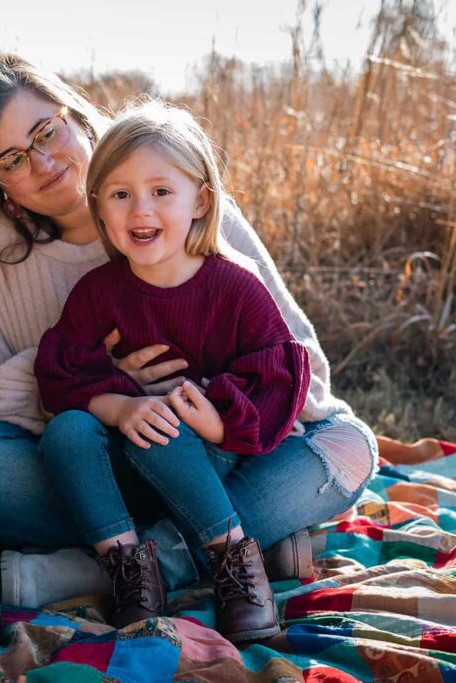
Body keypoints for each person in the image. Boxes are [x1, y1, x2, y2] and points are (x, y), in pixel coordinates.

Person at [0, 55, 378, 623]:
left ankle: (105, 569)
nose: (43, 161)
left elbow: (303, 369)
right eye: (13, 158)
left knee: (346, 447)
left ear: (75, 115)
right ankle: (246, 545)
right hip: (86, 464)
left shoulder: (186, 200)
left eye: (47, 130)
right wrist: (106, 382)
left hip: (212, 453)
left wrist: (205, 400)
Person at [34, 101, 311, 641]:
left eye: (162, 191)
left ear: (201, 200)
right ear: (100, 207)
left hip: (209, 458)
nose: (141, 209)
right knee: (68, 430)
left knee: (166, 425)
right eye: (121, 194)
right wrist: (119, 405)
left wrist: (216, 422)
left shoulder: (235, 287)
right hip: (125, 472)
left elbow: (279, 377)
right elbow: (60, 371)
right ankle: (131, 571)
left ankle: (233, 559)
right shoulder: (98, 294)